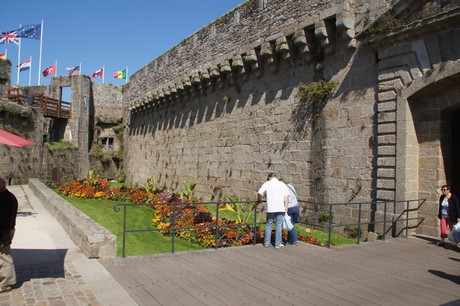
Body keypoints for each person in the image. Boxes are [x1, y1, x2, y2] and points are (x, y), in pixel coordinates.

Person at [258, 173, 289, 249]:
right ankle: (277, 244)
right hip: (280, 207)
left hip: (271, 208)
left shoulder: (267, 184)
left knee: (269, 225)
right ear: (275, 177)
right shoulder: (282, 184)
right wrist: (286, 207)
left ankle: (266, 242)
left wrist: (259, 200)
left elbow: (259, 193)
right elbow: (286, 196)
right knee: (279, 225)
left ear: (269, 178)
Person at [0, 177, 18, 293]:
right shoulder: (11, 197)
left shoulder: (4, 199)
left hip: (3, 232)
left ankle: (6, 283)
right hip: (7, 231)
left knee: (5, 257)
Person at [280, 179, 299, 246]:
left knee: (290, 225)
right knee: (291, 223)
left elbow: (284, 199)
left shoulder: (283, 189)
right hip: (296, 206)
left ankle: (294, 241)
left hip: (289, 207)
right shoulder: (290, 186)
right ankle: (290, 239)